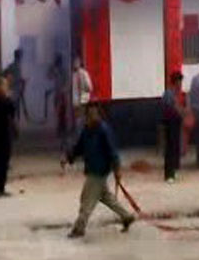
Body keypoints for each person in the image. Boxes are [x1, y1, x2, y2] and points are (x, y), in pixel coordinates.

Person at [61, 104, 135, 238]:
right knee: (106, 198)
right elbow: (79, 148)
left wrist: (117, 169)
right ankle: (126, 216)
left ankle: (79, 228)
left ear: (99, 115)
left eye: (94, 114)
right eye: (89, 115)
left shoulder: (104, 130)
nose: (91, 117)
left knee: (86, 200)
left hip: (99, 171)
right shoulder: (86, 130)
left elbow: (113, 152)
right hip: (92, 169)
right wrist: (68, 157)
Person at [162, 72, 187, 183]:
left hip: (176, 122)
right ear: (175, 82)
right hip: (170, 123)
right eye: (179, 82)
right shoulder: (169, 93)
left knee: (175, 146)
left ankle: (174, 170)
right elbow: (174, 107)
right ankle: (169, 174)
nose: (180, 84)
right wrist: (183, 112)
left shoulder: (177, 93)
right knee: (170, 148)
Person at [48, 54, 70, 150]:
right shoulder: (55, 70)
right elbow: (49, 76)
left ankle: (63, 129)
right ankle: (60, 128)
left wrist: (64, 90)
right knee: (58, 111)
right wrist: (52, 68)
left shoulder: (64, 71)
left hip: (62, 93)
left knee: (62, 112)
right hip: (57, 93)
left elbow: (67, 81)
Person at [3, 49, 26, 122]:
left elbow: (4, 74)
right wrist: (20, 80)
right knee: (13, 108)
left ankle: (12, 122)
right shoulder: (16, 66)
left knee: (12, 107)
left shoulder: (13, 65)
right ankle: (12, 123)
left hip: (12, 90)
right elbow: (6, 75)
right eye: (21, 56)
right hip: (14, 90)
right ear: (19, 56)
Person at [72, 57, 93, 135]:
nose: (75, 64)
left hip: (82, 99)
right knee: (78, 118)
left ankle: (83, 133)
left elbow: (89, 87)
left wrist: (83, 86)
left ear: (79, 63)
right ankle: (79, 134)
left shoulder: (84, 74)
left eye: (76, 63)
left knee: (82, 118)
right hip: (76, 100)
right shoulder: (73, 75)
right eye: (74, 63)